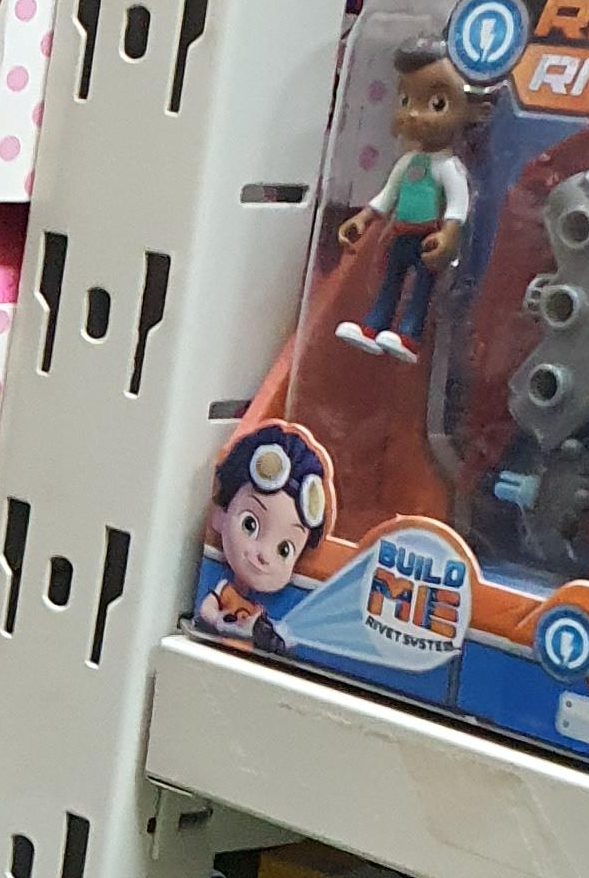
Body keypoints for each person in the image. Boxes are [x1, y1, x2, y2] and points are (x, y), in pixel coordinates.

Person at [336, 37, 483, 362]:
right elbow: (387, 195)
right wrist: (363, 218)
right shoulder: (407, 163)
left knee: (421, 290)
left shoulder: (449, 167)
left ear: (474, 110)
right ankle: (373, 327)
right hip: (400, 235)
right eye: (405, 100)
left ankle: (410, 335)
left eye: (437, 103)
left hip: (427, 239)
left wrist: (449, 235)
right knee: (390, 282)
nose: (413, 114)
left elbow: (458, 205)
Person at [195, 420, 332, 654]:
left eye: (284, 550)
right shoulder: (224, 589)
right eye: (250, 525)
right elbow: (206, 610)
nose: (264, 555)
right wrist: (220, 622)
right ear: (220, 514)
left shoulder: (259, 610)